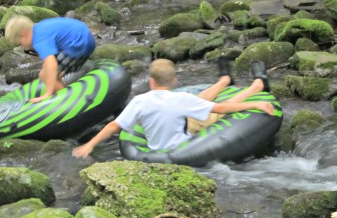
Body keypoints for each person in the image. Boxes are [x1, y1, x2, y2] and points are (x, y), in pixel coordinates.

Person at [72, 57, 274, 159]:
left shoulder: (139, 102)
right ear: (174, 80)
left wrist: (90, 145)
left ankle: (224, 80)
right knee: (217, 107)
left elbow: (113, 127)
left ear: (151, 81)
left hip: (162, 143)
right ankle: (256, 86)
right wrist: (255, 103)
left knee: (197, 101)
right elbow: (221, 109)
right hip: (188, 144)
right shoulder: (181, 99)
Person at [5, 16, 96, 103]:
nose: (22, 46)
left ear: (24, 34)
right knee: (46, 72)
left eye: (20, 43)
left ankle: (69, 101)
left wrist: (47, 94)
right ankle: (63, 88)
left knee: (44, 75)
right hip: (85, 37)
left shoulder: (38, 40)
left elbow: (52, 64)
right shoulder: (39, 28)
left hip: (78, 45)